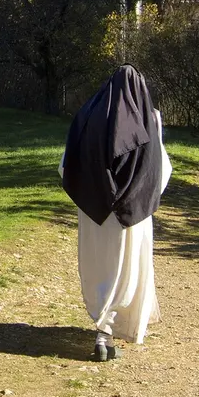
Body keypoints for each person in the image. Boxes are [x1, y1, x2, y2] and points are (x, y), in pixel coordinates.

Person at [60, 64, 170, 361]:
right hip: (131, 216)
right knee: (125, 272)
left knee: (101, 270)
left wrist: (91, 194)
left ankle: (103, 331)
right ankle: (105, 334)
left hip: (94, 212)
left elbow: (66, 165)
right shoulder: (150, 119)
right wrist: (140, 198)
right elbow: (160, 169)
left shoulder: (86, 117)